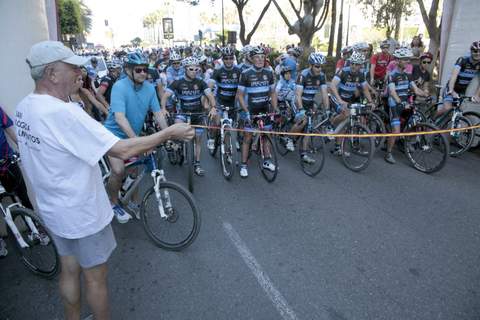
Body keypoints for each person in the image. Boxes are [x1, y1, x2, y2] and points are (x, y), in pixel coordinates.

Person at [17, 40, 193, 320]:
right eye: (73, 67)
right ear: (51, 73)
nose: (80, 72)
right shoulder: (64, 113)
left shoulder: (25, 107)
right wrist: (168, 133)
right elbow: (121, 149)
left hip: (54, 210)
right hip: (82, 213)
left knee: (69, 269)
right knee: (96, 279)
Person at [103, 52, 169, 223]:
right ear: (128, 70)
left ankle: (133, 203)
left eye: (145, 70)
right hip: (113, 136)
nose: (143, 73)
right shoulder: (119, 87)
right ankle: (113, 202)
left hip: (132, 136)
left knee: (135, 170)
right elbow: (120, 118)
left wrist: (169, 134)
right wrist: (139, 142)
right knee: (118, 171)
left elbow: (158, 115)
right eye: (138, 70)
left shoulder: (149, 88)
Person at [161, 56, 217, 176]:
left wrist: (213, 107)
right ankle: (177, 144)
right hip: (182, 113)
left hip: (197, 113)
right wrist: (163, 108)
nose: (194, 72)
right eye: (191, 69)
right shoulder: (178, 82)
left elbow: (210, 96)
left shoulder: (201, 82)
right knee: (177, 126)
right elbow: (165, 96)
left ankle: (197, 164)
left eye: (197, 69)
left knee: (198, 140)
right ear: (185, 69)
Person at [237, 46, 278, 178]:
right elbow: (240, 95)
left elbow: (272, 93)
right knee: (248, 138)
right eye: (257, 57)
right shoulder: (245, 73)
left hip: (264, 109)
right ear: (252, 59)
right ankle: (243, 165)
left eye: (262, 57)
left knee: (266, 135)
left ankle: (266, 160)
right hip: (251, 109)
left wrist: (275, 108)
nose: (260, 59)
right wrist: (246, 111)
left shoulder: (269, 73)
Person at [384, 48, 429, 164]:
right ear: (398, 60)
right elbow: (392, 92)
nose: (407, 62)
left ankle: (403, 141)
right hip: (395, 104)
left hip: (405, 103)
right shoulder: (392, 75)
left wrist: (425, 94)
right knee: (396, 131)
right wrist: (400, 102)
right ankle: (388, 153)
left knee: (412, 121)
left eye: (408, 60)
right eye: (405, 60)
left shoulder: (408, 75)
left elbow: (416, 89)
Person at [330, 51, 374, 155]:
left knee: (345, 124)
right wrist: (340, 100)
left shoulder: (361, 74)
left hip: (348, 99)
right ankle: (331, 124)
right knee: (346, 114)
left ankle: (337, 147)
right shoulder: (343, 72)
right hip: (337, 97)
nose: (353, 66)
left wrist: (371, 101)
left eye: (357, 64)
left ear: (361, 65)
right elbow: (332, 86)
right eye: (352, 63)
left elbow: (365, 89)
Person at [288, 52, 329, 161]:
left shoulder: (321, 76)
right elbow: (297, 95)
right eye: (317, 66)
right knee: (304, 120)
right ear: (310, 65)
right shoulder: (303, 75)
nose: (319, 69)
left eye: (321, 67)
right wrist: (301, 110)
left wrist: (328, 110)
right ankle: (289, 138)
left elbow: (325, 94)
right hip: (298, 101)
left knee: (308, 128)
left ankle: (304, 154)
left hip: (310, 102)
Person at [207, 47, 242, 150]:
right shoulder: (218, 71)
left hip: (233, 102)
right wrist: (207, 98)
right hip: (220, 100)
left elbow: (243, 88)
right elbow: (210, 86)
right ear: (222, 59)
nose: (228, 60)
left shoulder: (239, 70)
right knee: (217, 122)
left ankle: (229, 143)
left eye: (231, 58)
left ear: (233, 58)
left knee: (231, 125)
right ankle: (212, 138)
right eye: (226, 58)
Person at [436, 41, 480, 119]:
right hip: (451, 88)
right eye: (475, 51)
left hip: (462, 91)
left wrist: (477, 95)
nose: (478, 53)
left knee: (459, 112)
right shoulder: (463, 60)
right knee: (447, 109)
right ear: (471, 51)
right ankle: (432, 120)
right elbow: (454, 75)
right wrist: (451, 90)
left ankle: (449, 130)